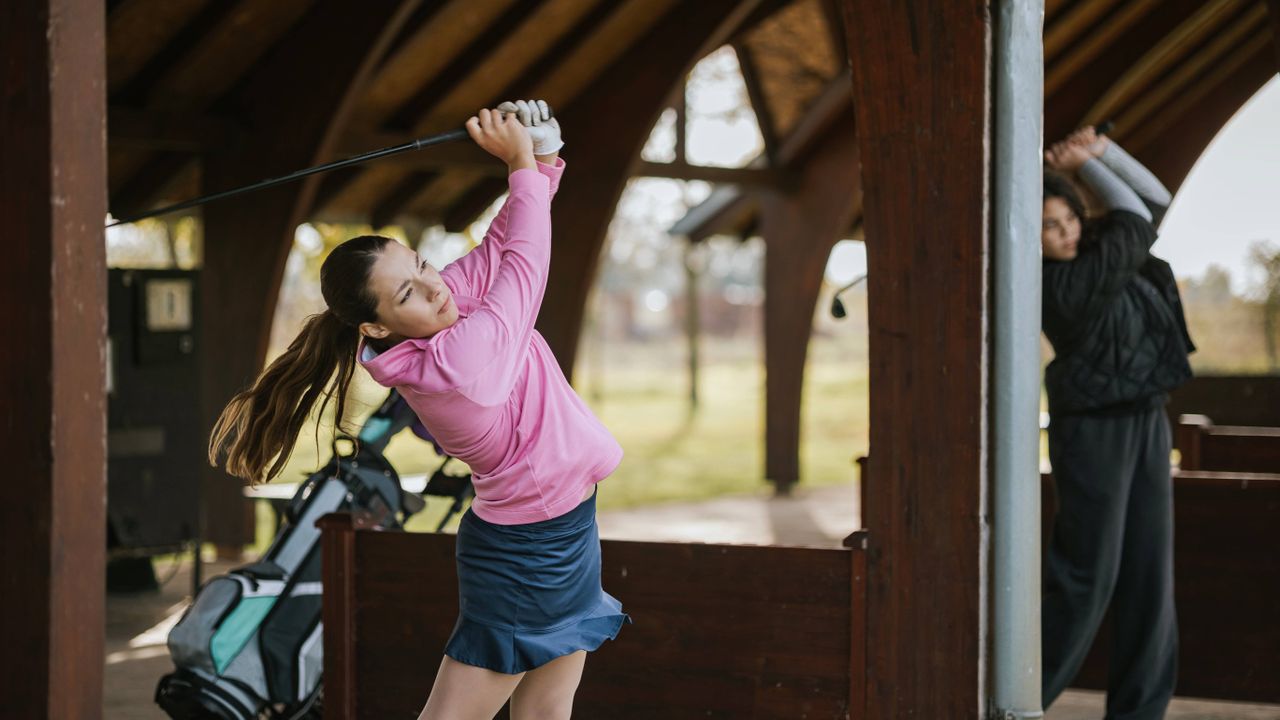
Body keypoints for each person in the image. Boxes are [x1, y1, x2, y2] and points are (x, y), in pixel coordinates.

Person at [208, 100, 630, 720]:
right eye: (408, 289)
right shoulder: (459, 360)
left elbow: (500, 246)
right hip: (528, 552)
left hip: (564, 528)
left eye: (423, 264)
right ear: (378, 326)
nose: (435, 285)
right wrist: (519, 165)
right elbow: (525, 268)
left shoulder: (438, 312)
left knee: (547, 708)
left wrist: (542, 160)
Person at [1040, 126, 1195, 719]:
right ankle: (1017, 700)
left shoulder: (1103, 243)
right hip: (1093, 433)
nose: (1066, 232)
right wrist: (1089, 162)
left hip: (1147, 420)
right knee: (1086, 580)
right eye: (1050, 227)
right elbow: (1136, 217)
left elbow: (1149, 201)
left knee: (1149, 575)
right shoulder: (1061, 283)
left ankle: (1139, 711)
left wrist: (1099, 156)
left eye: (1070, 218)